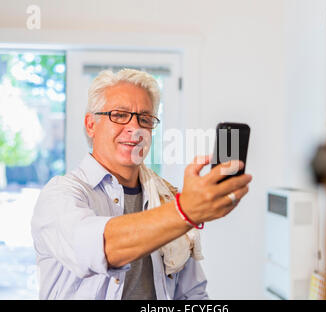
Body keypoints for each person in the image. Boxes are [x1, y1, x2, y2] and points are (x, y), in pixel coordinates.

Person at [31, 68, 252, 300]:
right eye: (118, 115)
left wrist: (184, 210)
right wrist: (185, 212)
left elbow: (191, 294)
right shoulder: (60, 196)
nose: (134, 128)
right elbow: (102, 248)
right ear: (91, 125)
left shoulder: (167, 197)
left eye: (145, 119)